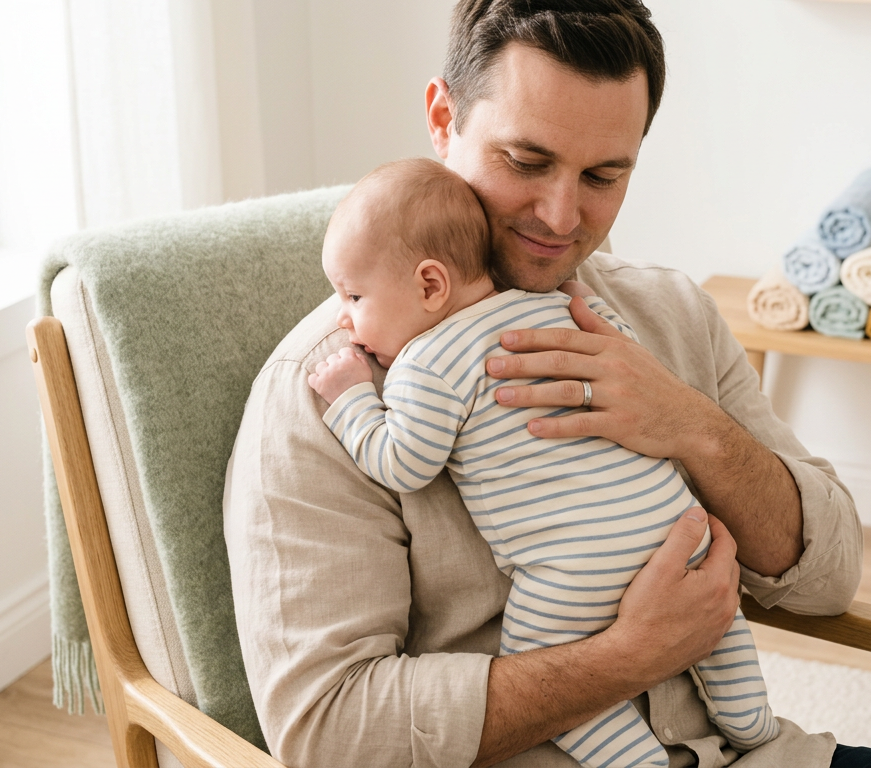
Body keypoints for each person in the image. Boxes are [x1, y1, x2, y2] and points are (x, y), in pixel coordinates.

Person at [224, 2, 871, 766]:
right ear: (444, 119)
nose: (560, 216)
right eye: (526, 161)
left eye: (604, 175)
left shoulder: (667, 312)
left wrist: (693, 428)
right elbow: (328, 733)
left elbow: (828, 578)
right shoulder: (327, 397)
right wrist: (626, 657)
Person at [304, 156, 780, 768]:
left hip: (572, 571)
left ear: (430, 286)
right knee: (717, 607)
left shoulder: (425, 363)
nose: (341, 318)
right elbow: (626, 350)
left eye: (353, 295)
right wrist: (589, 303)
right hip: (672, 526)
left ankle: (636, 762)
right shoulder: (555, 306)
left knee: (536, 654)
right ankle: (753, 721)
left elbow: (403, 463)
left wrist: (350, 399)